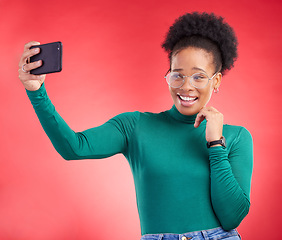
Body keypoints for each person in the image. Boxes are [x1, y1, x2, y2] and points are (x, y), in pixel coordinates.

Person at [18, 12, 253, 240]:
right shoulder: (135, 126)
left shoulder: (235, 137)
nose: (186, 86)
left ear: (217, 80)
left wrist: (215, 144)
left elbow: (232, 217)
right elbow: (74, 147)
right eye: (177, 75)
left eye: (199, 76)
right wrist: (36, 92)